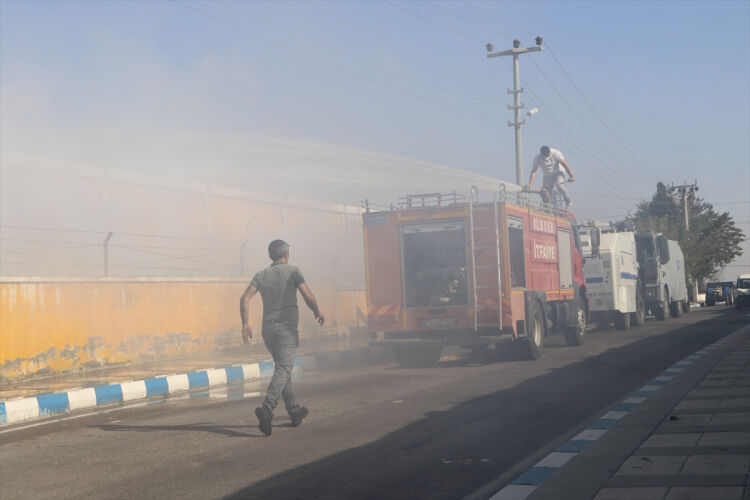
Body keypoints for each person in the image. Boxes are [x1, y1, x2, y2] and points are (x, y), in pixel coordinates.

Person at [240, 239, 325, 436]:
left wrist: (245, 324)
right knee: (284, 368)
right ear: (286, 254)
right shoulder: (293, 271)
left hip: (268, 331)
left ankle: (294, 412)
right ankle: (267, 408)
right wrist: (317, 311)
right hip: (286, 329)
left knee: (283, 369)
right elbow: (308, 296)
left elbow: (245, 298)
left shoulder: (261, 275)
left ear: (271, 256)